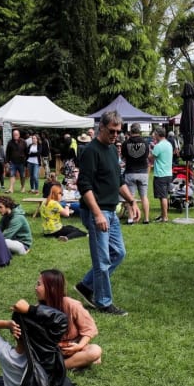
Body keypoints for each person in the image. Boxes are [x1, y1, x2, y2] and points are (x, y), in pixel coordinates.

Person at [74, 111, 140, 316]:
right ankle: (103, 302)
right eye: (111, 131)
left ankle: (86, 285)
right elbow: (84, 185)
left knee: (118, 253)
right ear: (100, 127)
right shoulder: (90, 151)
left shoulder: (112, 150)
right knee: (102, 260)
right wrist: (97, 214)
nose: (115, 135)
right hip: (97, 212)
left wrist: (131, 201)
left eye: (118, 132)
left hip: (110, 211)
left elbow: (118, 180)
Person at [35, 269, 101, 370]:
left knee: (95, 351)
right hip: (51, 350)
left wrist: (79, 346)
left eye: (39, 284)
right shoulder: (37, 309)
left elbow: (89, 329)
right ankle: (76, 363)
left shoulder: (72, 305)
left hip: (74, 347)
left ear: (51, 288)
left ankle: (60, 367)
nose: (36, 288)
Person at [121, 123, 151, 225]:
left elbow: (123, 157)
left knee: (130, 197)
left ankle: (130, 219)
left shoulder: (125, 143)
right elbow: (147, 156)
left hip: (130, 172)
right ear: (140, 131)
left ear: (131, 131)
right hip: (143, 172)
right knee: (144, 197)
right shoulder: (145, 143)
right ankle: (146, 219)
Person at [149, 127, 173, 223]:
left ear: (158, 134)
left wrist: (146, 151)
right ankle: (163, 214)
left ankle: (165, 217)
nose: (154, 136)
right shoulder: (169, 144)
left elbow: (151, 158)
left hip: (160, 174)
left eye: (154, 134)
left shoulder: (158, 146)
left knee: (162, 197)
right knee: (164, 196)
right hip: (168, 173)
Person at [5, 129, 28, 194]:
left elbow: (26, 152)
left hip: (21, 162)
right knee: (12, 175)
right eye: (14, 135)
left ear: (19, 135)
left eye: (16, 134)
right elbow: (7, 153)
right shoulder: (10, 142)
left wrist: (26, 161)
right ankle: (11, 188)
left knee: (22, 176)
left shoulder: (23, 142)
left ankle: (23, 187)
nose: (15, 136)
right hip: (13, 162)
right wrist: (7, 162)